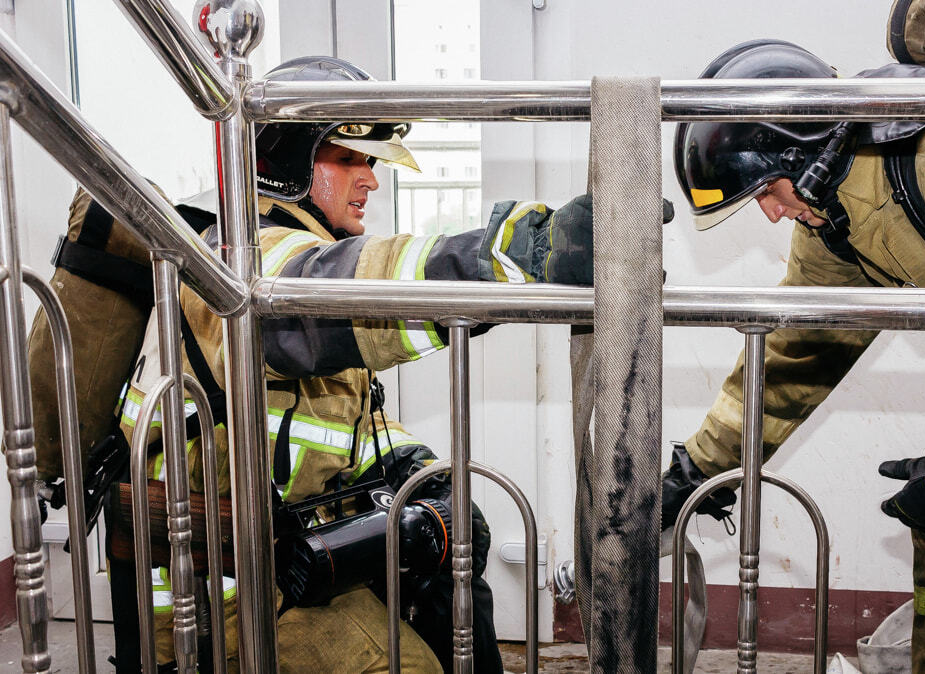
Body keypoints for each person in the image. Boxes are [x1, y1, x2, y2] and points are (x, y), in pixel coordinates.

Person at [114, 56, 606, 673]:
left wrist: (413, 467)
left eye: (370, 163)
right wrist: (510, 255)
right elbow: (327, 301)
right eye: (350, 159)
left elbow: (324, 419)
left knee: (456, 542)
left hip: (277, 555)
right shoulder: (239, 262)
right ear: (290, 163)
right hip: (224, 595)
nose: (370, 180)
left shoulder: (290, 246)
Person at [669, 39, 925, 673]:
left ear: (801, 151)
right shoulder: (833, 218)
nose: (775, 213)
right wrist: (697, 473)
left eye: (767, 192)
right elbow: (792, 355)